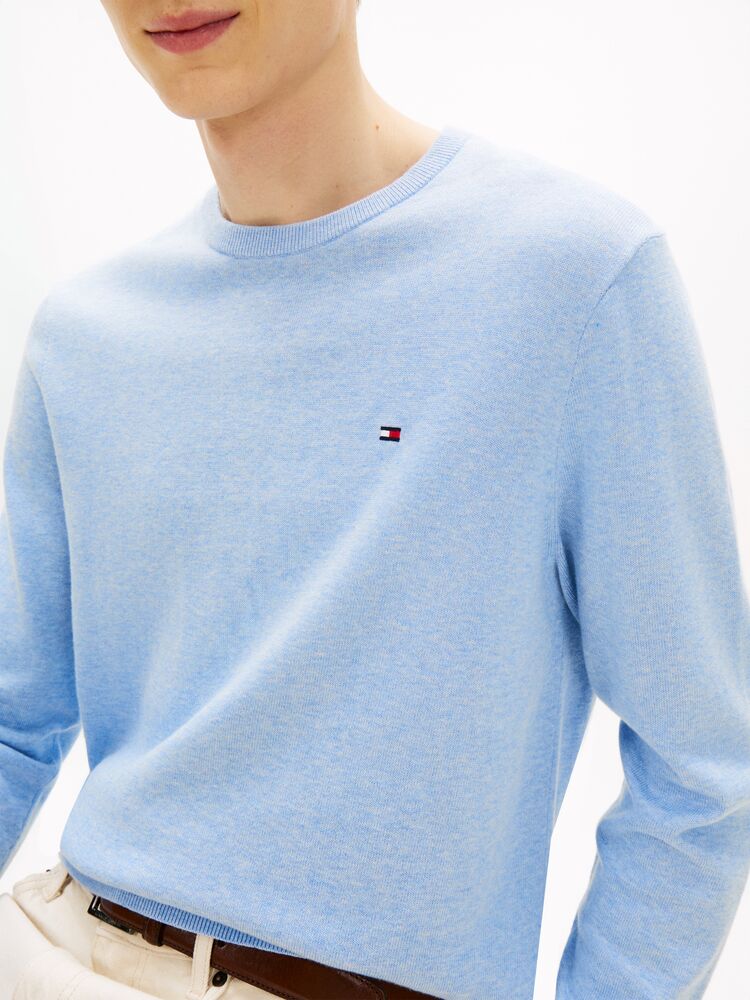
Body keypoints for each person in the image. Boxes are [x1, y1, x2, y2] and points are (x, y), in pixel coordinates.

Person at [1, 1, 749, 998]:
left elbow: (704, 767)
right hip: (54, 947)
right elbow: (11, 720)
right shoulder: (86, 336)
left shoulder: (573, 279)